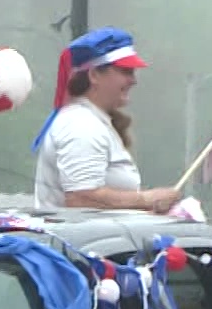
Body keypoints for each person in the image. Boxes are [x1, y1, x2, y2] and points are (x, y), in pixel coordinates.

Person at [30, 27, 182, 213]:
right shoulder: (81, 124)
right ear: (94, 75)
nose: (133, 81)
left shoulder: (90, 120)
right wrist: (147, 199)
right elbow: (80, 198)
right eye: (125, 71)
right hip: (81, 242)